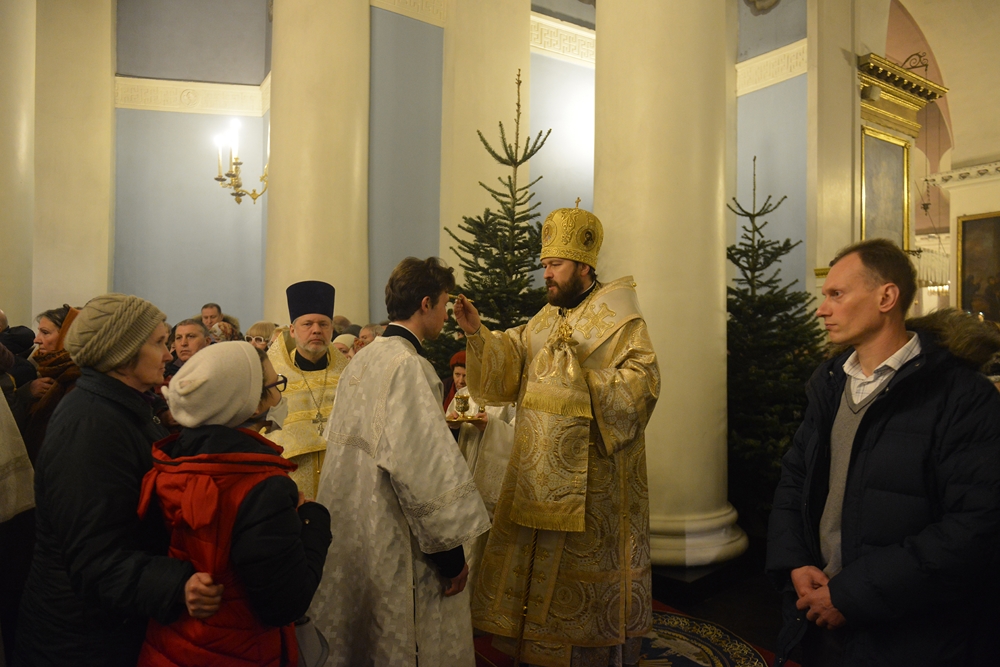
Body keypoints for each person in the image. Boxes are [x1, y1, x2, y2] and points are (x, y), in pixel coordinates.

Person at [766, 239, 1000, 667]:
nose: (822, 309)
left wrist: (851, 594)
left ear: (886, 297)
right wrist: (795, 562)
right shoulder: (830, 383)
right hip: (820, 613)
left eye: (837, 294)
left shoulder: (962, 395)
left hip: (914, 633)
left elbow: (975, 526)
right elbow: (795, 480)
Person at [453, 206, 660, 667]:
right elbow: (514, 360)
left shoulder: (621, 317)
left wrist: (579, 382)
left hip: (594, 481)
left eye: (555, 265)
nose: (546, 273)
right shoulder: (546, 317)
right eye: (545, 264)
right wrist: (478, 333)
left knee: (581, 589)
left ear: (583, 265)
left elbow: (645, 382)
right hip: (540, 476)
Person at [14, 293, 223, 667]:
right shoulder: (91, 426)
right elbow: (94, 558)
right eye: (159, 342)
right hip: (79, 639)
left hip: (101, 627)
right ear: (123, 353)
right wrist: (179, 583)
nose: (168, 354)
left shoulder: (123, 407)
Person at [309, 257, 491, 667]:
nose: (446, 314)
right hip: (394, 537)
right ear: (425, 304)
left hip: (356, 531)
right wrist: (451, 557)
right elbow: (422, 468)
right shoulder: (409, 366)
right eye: (444, 304)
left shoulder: (363, 359)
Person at [137, 342, 332, 666]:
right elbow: (286, 603)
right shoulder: (260, 487)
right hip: (239, 649)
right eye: (275, 386)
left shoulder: (173, 460)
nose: (279, 397)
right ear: (252, 406)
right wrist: (313, 519)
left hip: (173, 644)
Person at [267, 281, 347, 499]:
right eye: (308, 324)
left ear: (331, 329)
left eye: (323, 324)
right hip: (291, 483)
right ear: (292, 330)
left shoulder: (349, 375)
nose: (316, 330)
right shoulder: (272, 378)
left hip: (341, 480)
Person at [9, 305, 81, 463]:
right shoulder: (46, 370)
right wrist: (27, 392)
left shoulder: (77, 380)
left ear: (68, 335)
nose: (36, 339)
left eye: (45, 332)